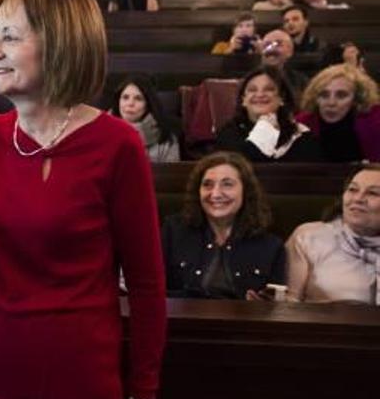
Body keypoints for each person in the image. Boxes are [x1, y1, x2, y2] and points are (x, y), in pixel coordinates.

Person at [0, 0, 166, 399]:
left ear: (61, 45)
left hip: (72, 389)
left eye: (10, 36)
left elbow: (145, 284)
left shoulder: (117, 144)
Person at [162, 151, 285, 299]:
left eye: (227, 184)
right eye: (207, 185)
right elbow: (154, 291)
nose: (215, 194)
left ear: (246, 191)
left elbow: (275, 309)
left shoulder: (271, 247)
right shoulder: (173, 232)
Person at [286, 164, 380, 305]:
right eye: (353, 189)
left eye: (373, 193)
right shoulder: (308, 237)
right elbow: (287, 304)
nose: (358, 198)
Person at [216, 66, 322, 162]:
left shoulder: (301, 135)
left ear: (281, 98)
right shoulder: (228, 133)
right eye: (252, 90)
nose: (260, 94)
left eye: (269, 89)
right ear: (243, 100)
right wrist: (264, 130)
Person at [296, 64, 380, 162]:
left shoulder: (374, 122)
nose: (331, 103)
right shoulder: (301, 124)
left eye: (341, 95)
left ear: (356, 99)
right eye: (324, 95)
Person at [110, 75, 180, 162]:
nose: (130, 103)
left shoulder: (167, 138)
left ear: (148, 104)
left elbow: (170, 174)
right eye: (125, 97)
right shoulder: (102, 131)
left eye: (138, 99)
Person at [260, 29, 309, 96]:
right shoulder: (247, 80)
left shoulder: (302, 83)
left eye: (278, 44)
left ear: (290, 51)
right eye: (267, 45)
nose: (271, 49)